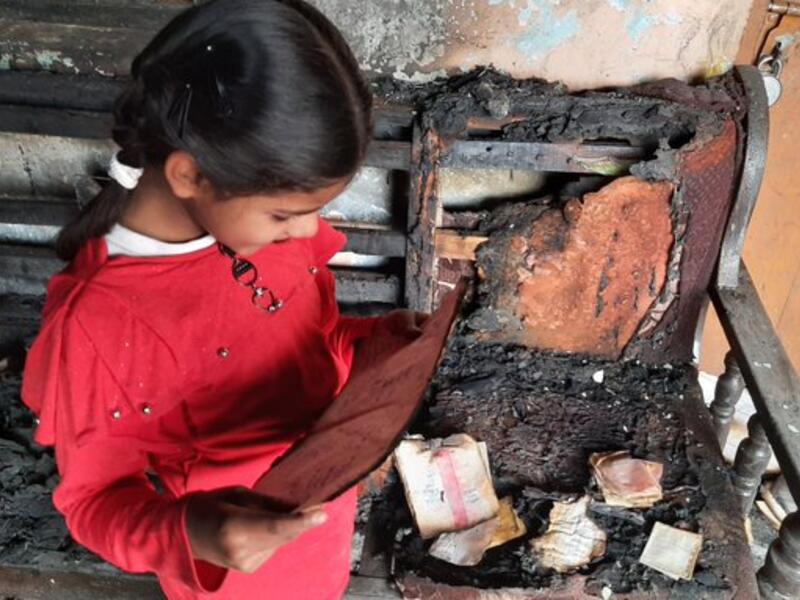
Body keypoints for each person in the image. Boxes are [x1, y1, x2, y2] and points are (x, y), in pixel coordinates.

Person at [21, 1, 424, 598]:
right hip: (239, 573)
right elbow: (94, 502)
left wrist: (380, 342)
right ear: (189, 176)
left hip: (321, 521)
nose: (311, 231)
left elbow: (309, 342)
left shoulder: (262, 233)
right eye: (286, 213)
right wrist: (197, 532)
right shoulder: (100, 325)